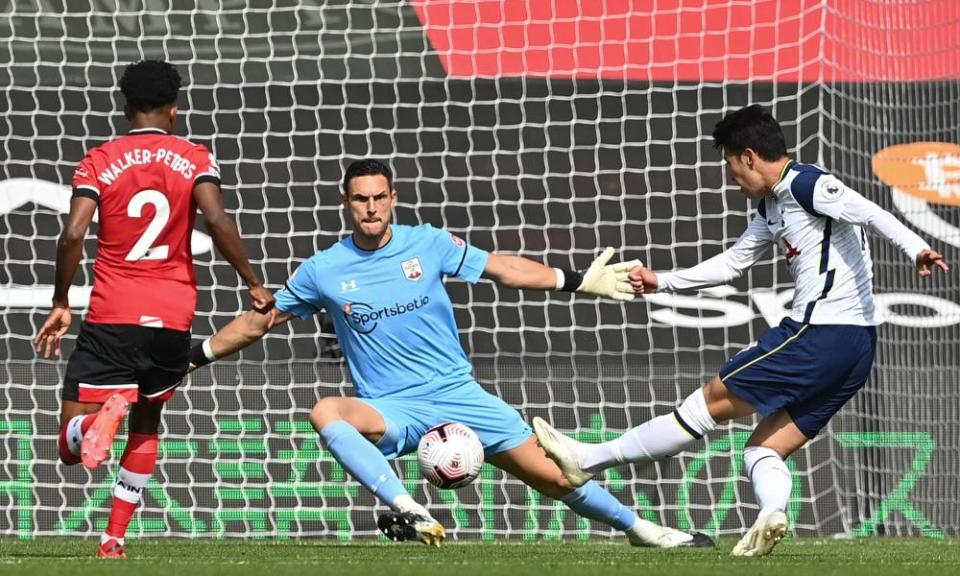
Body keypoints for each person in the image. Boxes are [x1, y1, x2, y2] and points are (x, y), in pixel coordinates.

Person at [187, 158, 713, 549]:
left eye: (378, 197)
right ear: (346, 203)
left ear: (392, 198)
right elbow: (262, 319)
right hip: (392, 406)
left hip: (459, 394)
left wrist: (574, 281)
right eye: (359, 199)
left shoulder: (428, 244)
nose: (370, 207)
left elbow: (503, 269)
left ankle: (643, 531)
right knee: (326, 410)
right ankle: (408, 508)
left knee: (557, 476)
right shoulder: (324, 269)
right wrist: (197, 354)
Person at [534, 104, 950, 557]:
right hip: (857, 349)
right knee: (761, 451)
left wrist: (916, 249)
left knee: (710, 400)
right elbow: (734, 262)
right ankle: (772, 512)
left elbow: (871, 212)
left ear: (748, 156)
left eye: (732, 165)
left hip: (820, 331)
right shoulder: (771, 206)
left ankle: (588, 461)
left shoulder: (807, 184)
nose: (732, 178)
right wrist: (662, 282)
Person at [33, 60, 274, 559]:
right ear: (174, 109)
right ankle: (113, 540)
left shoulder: (99, 158)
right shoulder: (194, 156)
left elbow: (74, 232)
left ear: (125, 109)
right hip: (172, 316)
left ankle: (96, 421)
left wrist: (61, 301)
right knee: (146, 427)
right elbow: (216, 217)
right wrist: (252, 281)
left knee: (69, 447)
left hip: (113, 312)